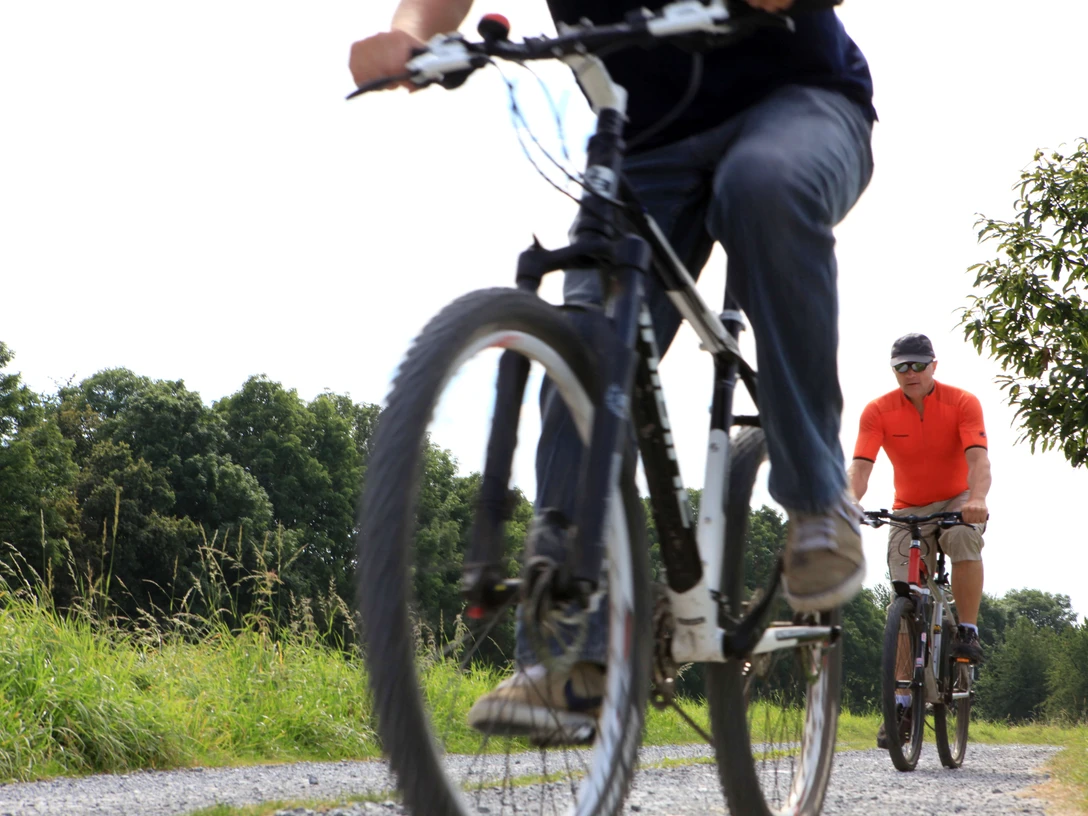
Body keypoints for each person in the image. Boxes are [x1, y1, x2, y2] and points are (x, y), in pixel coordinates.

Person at [350, 0, 876, 742]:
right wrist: (410, 36)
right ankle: (570, 660)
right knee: (586, 349)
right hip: (647, 142)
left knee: (763, 186)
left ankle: (821, 503)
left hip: (798, 100)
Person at [849, 333, 990, 748]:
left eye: (917, 365)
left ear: (933, 365)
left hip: (958, 499)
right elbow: (860, 467)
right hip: (907, 507)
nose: (909, 373)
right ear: (893, 370)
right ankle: (901, 704)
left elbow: (979, 459)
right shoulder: (877, 411)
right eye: (901, 366)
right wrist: (846, 501)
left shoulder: (962, 402)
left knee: (964, 536)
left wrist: (977, 498)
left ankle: (966, 630)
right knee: (903, 593)